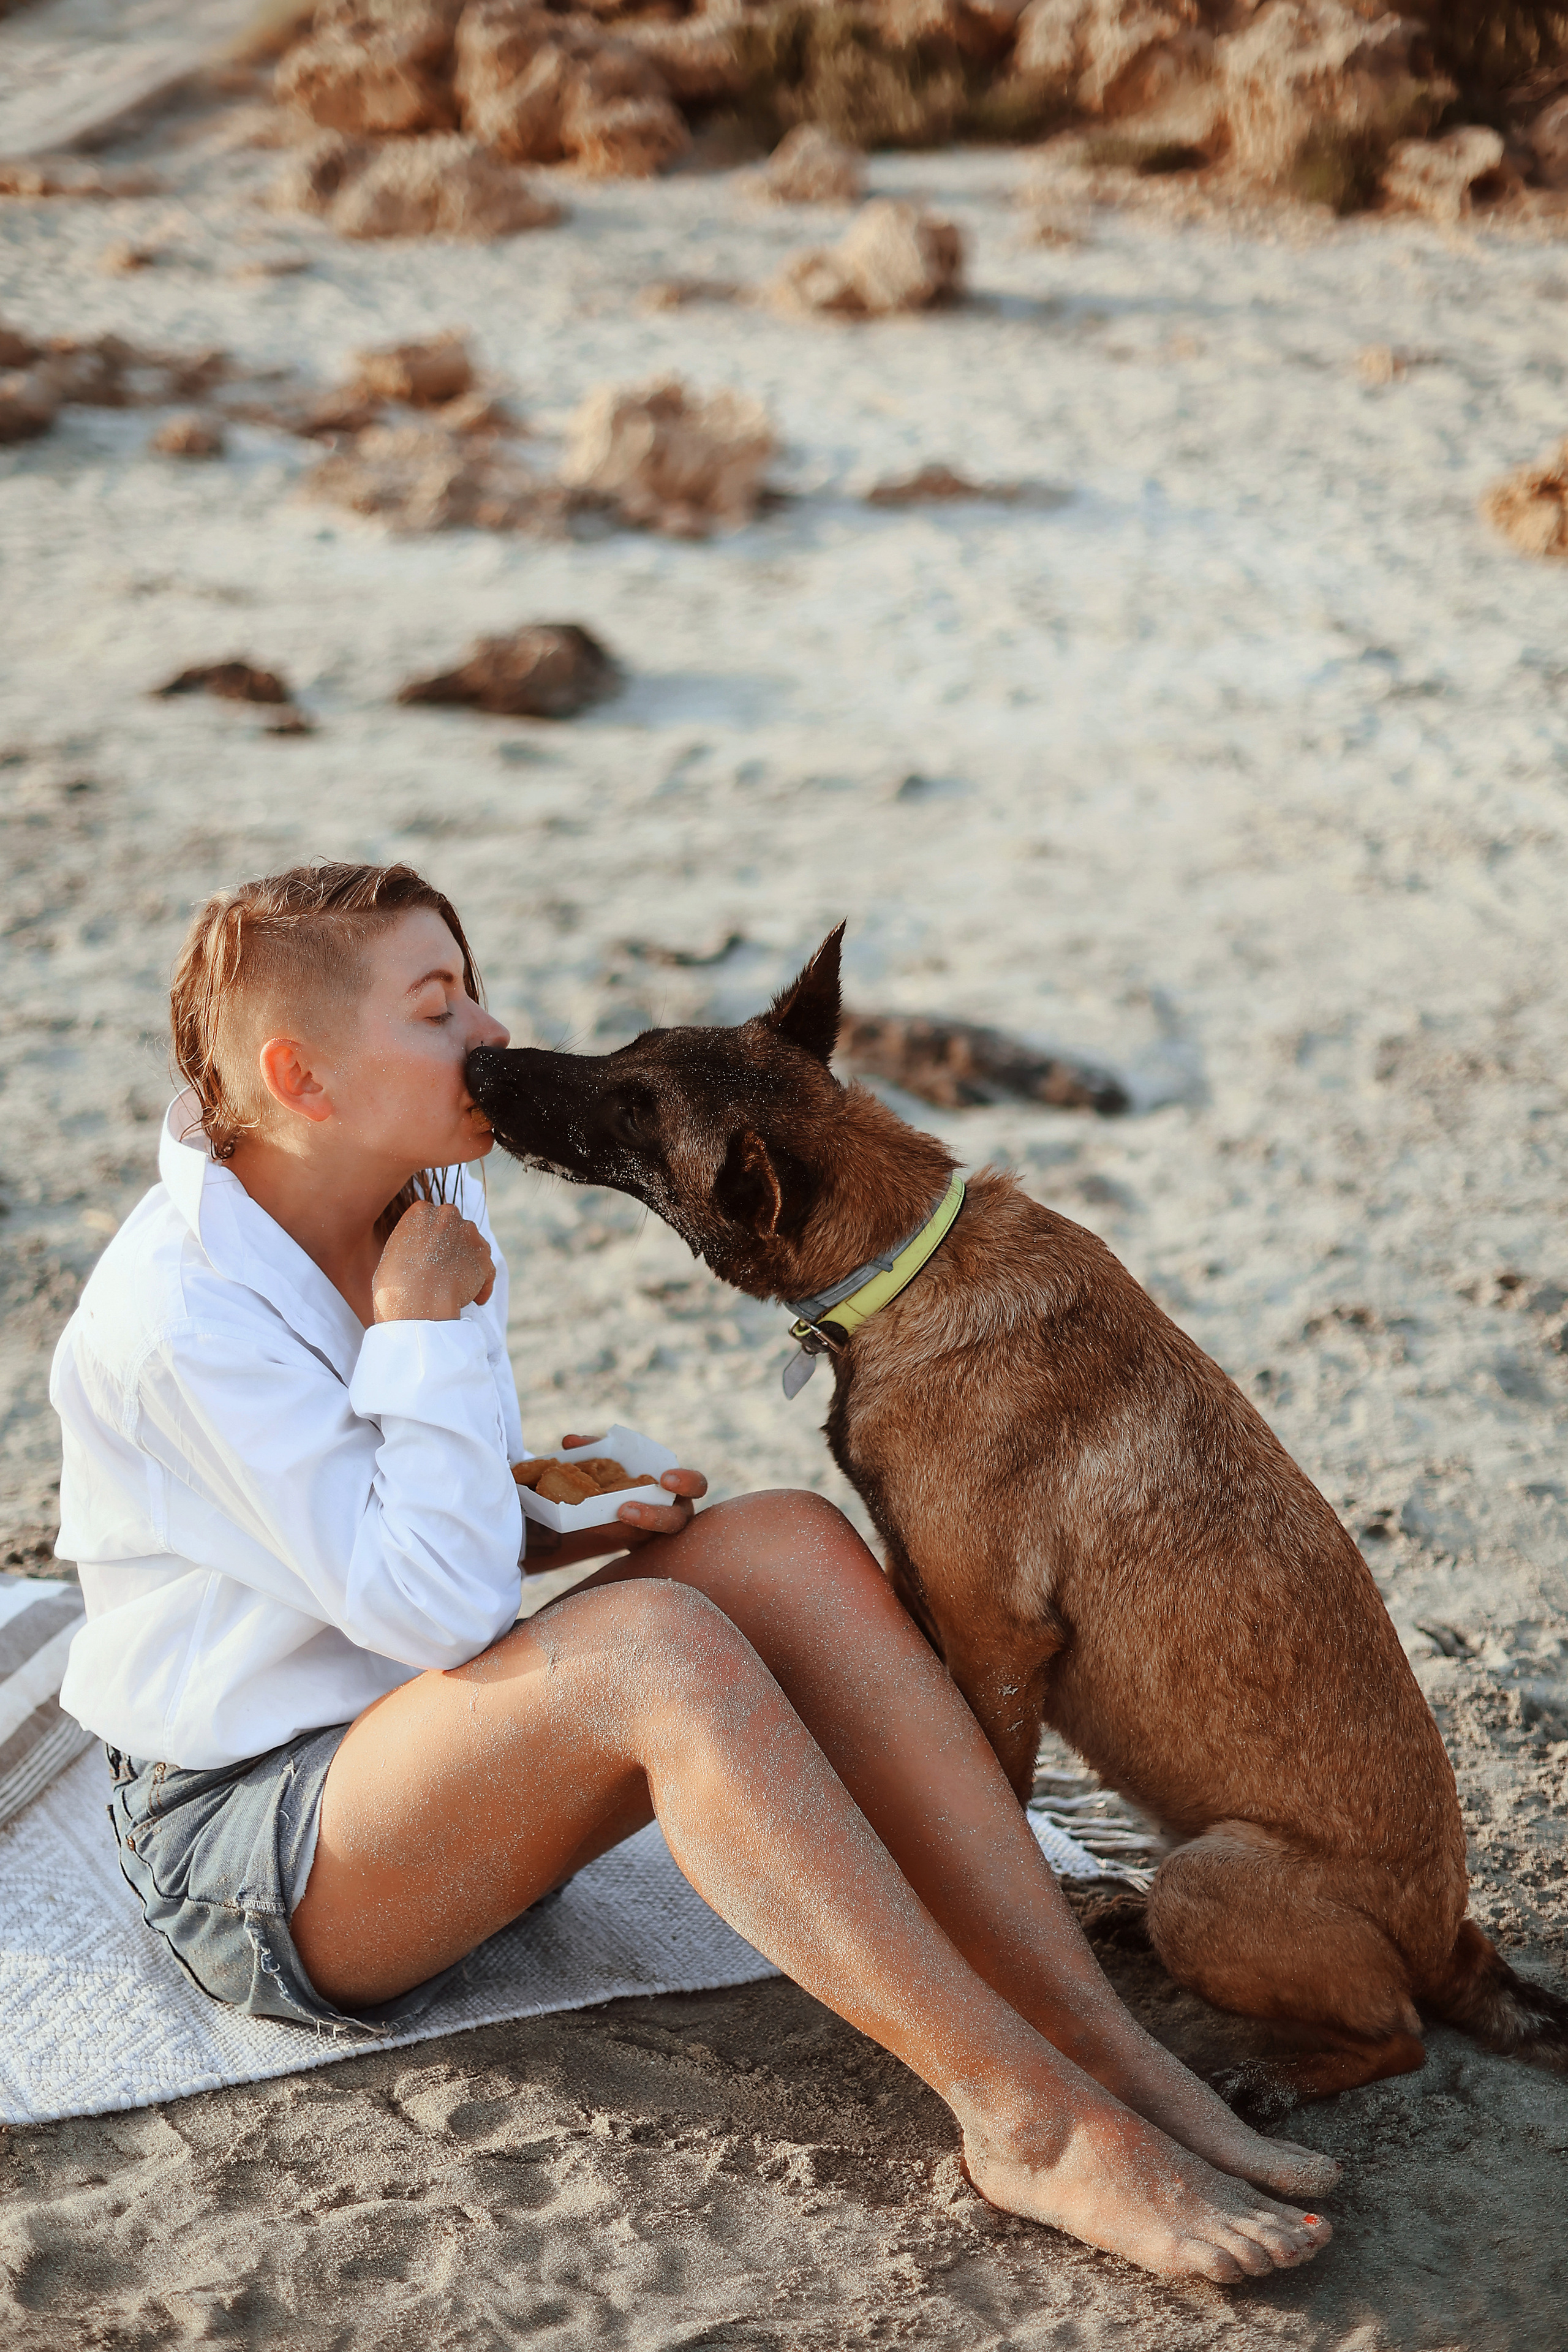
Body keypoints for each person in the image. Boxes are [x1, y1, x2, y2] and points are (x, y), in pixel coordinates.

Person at [53, 861, 1338, 2285]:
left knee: (781, 1535)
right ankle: (1022, 2119)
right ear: (302, 1075)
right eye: (437, 1007)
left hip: (400, 1743)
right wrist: (421, 1337)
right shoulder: (183, 1316)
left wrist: (549, 1518)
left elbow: (375, 1540)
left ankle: (1087, 2031)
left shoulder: (409, 1203)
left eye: (472, 985)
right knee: (659, 1650)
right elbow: (433, 1608)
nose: (488, 1029)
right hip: (257, 1853)